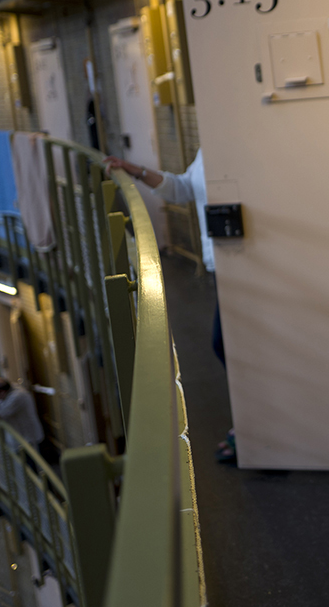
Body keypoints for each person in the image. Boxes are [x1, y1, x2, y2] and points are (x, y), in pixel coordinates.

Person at [102, 150, 235, 462]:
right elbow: (184, 188)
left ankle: (257, 432)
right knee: (229, 347)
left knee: (229, 346)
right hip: (222, 264)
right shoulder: (209, 147)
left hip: (241, 263)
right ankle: (251, 429)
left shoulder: (235, 139)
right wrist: (133, 170)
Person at [0, 376, 50, 464]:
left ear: (2, 392)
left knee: (35, 471)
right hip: (18, 442)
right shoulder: (4, 392)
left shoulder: (18, 396)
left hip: (29, 441)